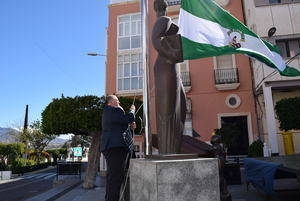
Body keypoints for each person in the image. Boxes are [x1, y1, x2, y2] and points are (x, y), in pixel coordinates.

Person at [152, 0, 186, 154]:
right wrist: (174, 54)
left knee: (180, 106)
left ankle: (172, 149)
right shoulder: (163, 20)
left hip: (169, 65)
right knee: (168, 111)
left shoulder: (163, 20)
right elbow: (156, 40)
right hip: (166, 65)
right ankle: (168, 150)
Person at [101, 95, 135, 201]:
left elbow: (121, 125)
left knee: (112, 177)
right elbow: (128, 118)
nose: (119, 103)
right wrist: (132, 110)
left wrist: (129, 126)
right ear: (111, 102)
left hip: (111, 147)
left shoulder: (109, 113)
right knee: (115, 178)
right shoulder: (113, 110)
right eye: (118, 101)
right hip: (116, 148)